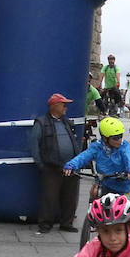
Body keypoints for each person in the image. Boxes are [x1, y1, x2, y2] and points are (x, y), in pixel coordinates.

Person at [30, 92, 84, 233]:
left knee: (70, 197)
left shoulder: (67, 122)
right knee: (49, 197)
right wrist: (41, 165)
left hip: (70, 167)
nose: (66, 107)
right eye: (63, 104)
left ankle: (67, 223)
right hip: (51, 167)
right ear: (54, 106)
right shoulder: (41, 123)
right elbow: (34, 145)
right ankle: (45, 224)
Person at [64, 115, 130, 197]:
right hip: (103, 182)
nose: (119, 140)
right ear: (105, 138)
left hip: (121, 184)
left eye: (120, 136)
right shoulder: (96, 147)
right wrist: (71, 165)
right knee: (94, 194)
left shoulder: (124, 146)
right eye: (115, 138)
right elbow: (83, 157)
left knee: (119, 206)